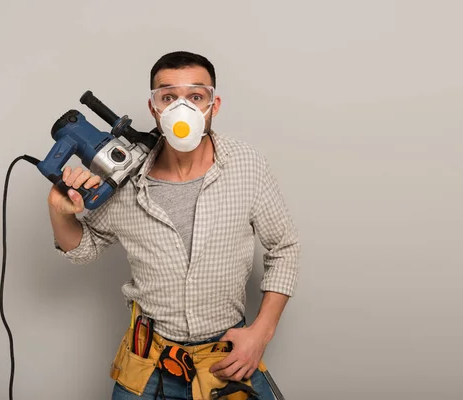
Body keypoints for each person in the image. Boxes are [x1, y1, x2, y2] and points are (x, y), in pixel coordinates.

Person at [48, 51, 300, 399]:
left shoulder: (246, 164)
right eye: (168, 97)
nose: (183, 108)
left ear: (215, 104)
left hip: (227, 359)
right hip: (147, 364)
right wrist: (61, 212)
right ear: (154, 108)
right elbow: (84, 249)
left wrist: (262, 332)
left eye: (196, 96)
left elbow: (284, 248)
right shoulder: (124, 179)